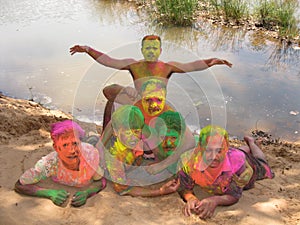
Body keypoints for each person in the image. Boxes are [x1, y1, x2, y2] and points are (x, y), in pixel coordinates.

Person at [69, 35, 233, 129]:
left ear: (160, 51)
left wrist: (212, 61)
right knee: (111, 90)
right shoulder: (135, 65)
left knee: (175, 129)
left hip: (158, 106)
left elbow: (192, 66)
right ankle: (106, 130)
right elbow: (109, 61)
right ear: (142, 50)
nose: (151, 51)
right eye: (147, 48)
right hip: (138, 102)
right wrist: (88, 50)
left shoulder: (168, 67)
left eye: (154, 48)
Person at [177, 125, 275, 219]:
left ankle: (252, 143)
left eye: (218, 151)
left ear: (225, 149)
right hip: (233, 154)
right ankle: (242, 148)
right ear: (200, 148)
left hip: (245, 163)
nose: (213, 156)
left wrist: (215, 200)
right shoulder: (189, 161)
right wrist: (191, 198)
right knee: (237, 152)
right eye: (208, 150)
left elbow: (234, 195)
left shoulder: (236, 165)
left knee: (263, 164)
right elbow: (183, 187)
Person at [14, 120, 106, 207]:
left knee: (97, 142)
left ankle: (91, 137)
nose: (72, 151)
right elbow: (20, 184)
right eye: (65, 145)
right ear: (56, 148)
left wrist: (87, 193)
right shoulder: (50, 163)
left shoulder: (90, 157)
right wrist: (49, 193)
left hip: (90, 147)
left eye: (75, 143)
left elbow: (101, 181)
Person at [100, 105, 180, 197]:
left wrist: (159, 162)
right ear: (115, 132)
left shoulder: (135, 141)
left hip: (130, 167)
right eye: (128, 133)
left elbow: (157, 149)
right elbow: (122, 189)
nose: (133, 137)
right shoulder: (114, 155)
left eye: (137, 131)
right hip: (116, 171)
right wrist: (160, 191)